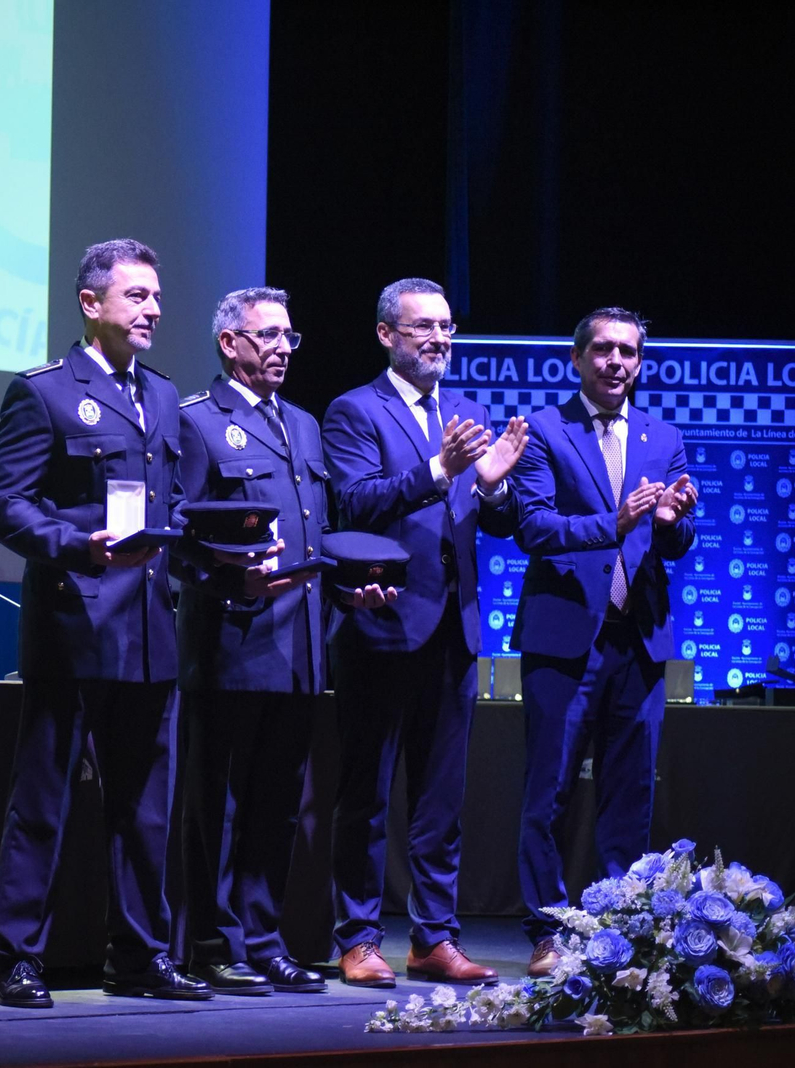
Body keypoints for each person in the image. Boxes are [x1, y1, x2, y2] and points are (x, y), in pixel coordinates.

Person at [0, 238, 207, 1008]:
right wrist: (73, 545)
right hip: (74, 623)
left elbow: (175, 506)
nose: (152, 310)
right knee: (42, 801)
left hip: (151, 628)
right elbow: (4, 505)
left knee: (147, 809)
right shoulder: (43, 391)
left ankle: (142, 956)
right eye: (136, 296)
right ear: (91, 303)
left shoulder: (167, 395)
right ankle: (16, 957)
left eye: (155, 296)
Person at [320, 277, 527, 987]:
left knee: (441, 801)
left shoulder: (466, 410)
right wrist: (443, 469)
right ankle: (358, 938)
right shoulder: (354, 411)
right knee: (367, 795)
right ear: (387, 335)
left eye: (446, 327)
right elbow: (354, 500)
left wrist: (495, 483)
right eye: (423, 328)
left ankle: (434, 938)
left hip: (454, 628)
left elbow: (499, 520)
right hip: (381, 625)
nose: (440, 339)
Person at [510, 307, 697, 976]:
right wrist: (612, 522)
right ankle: (548, 931)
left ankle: (617, 932)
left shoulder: (662, 435)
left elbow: (672, 540)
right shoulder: (543, 433)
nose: (616, 362)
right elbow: (532, 527)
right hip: (565, 641)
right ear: (578, 358)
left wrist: (675, 523)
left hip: (639, 642)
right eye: (604, 350)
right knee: (550, 790)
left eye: (628, 353)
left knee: (629, 792)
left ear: (640, 364)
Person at [172, 287, 330, 996]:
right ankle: (213, 940)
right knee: (222, 804)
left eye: (290, 338)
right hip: (232, 640)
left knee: (277, 805)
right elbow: (180, 537)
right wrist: (227, 575)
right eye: (268, 336)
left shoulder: (303, 423)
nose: (281, 349)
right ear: (230, 343)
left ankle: (263, 940)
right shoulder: (198, 424)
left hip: (299, 644)